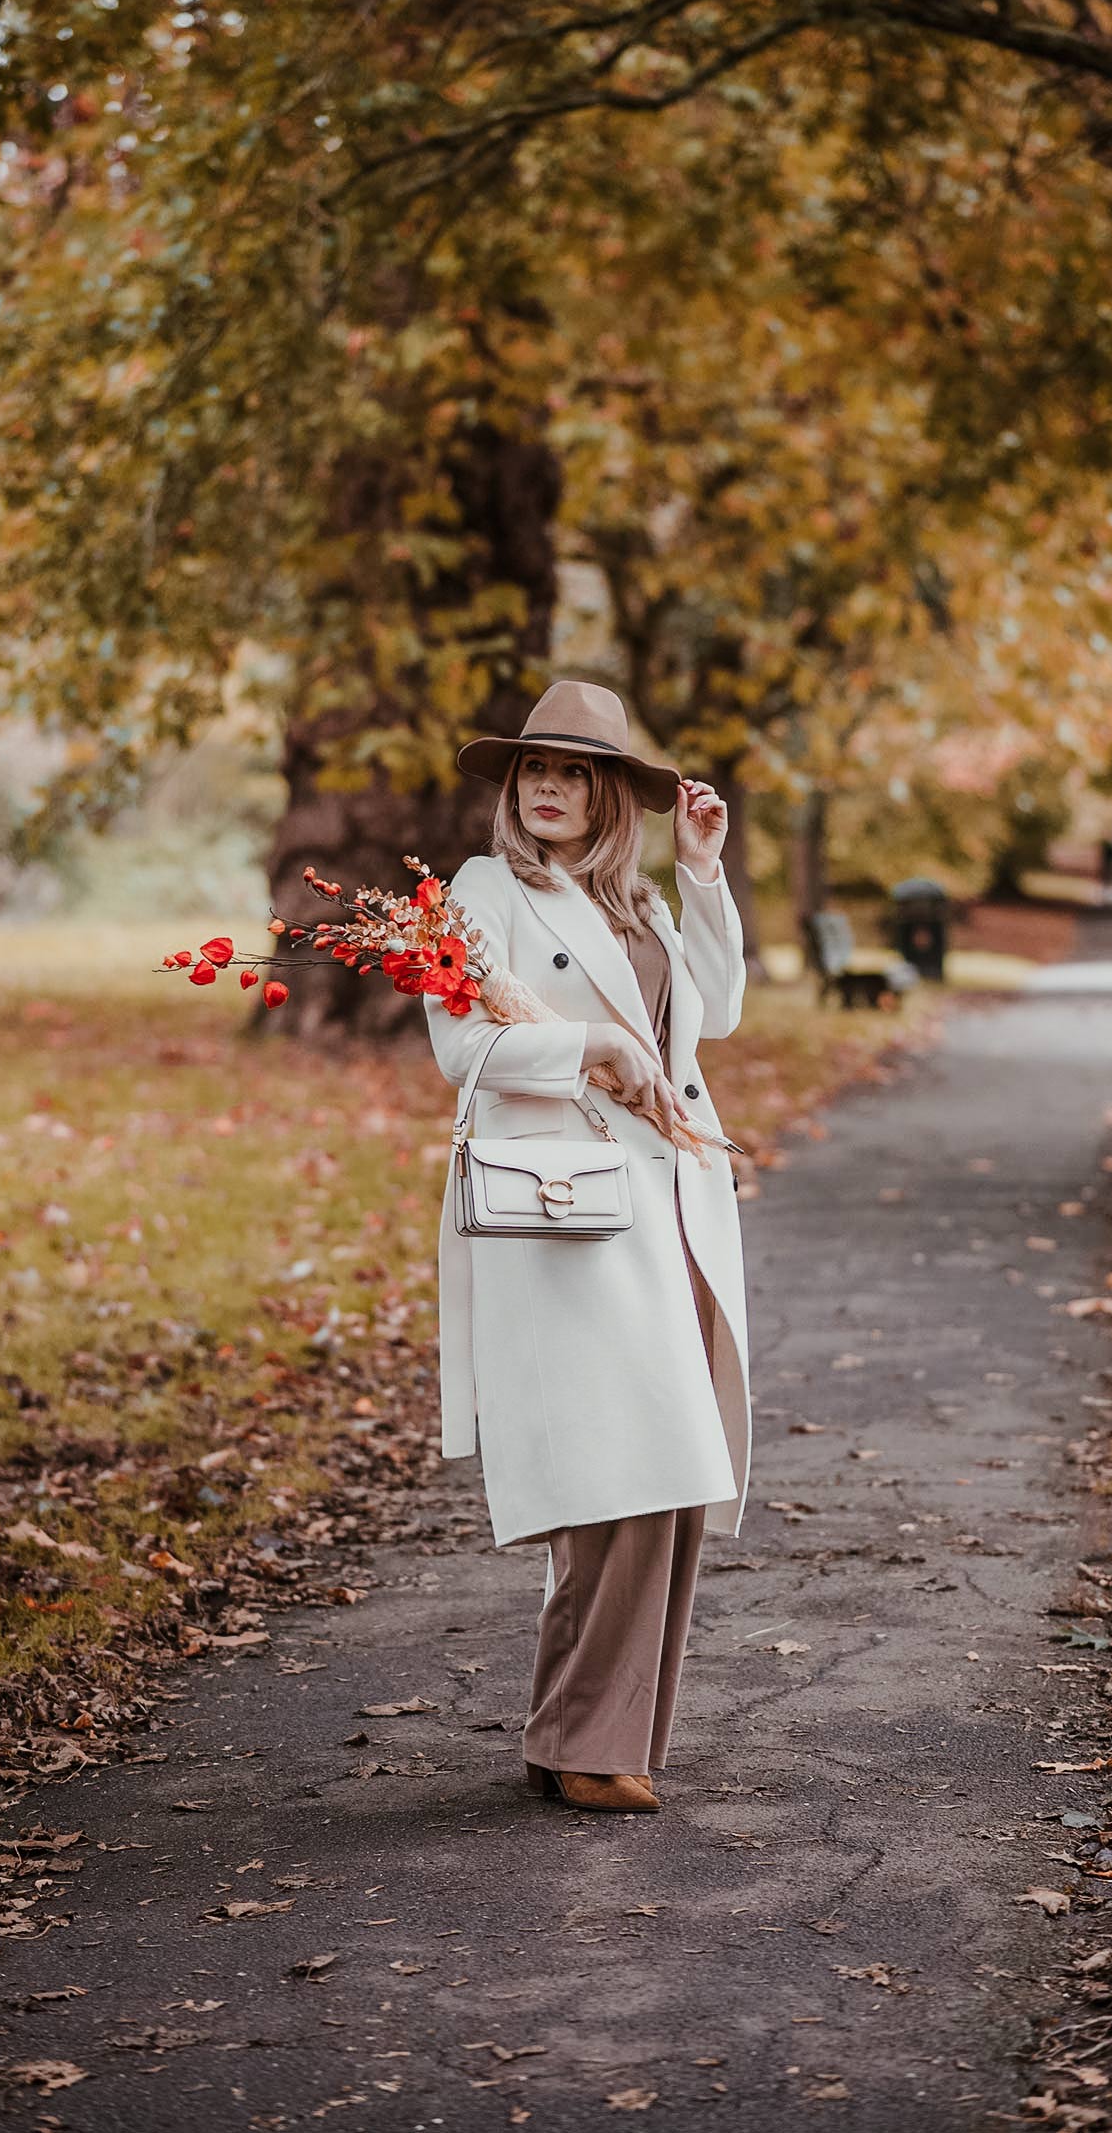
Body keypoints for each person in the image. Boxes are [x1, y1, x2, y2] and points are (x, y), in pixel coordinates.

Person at [423, 680, 751, 1816]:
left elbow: (716, 1010)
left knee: (669, 1477)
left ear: (615, 795)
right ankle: (583, 1739)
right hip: (567, 1207)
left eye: (572, 773)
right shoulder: (481, 890)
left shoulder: (644, 902)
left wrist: (702, 871)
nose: (548, 788)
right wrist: (596, 1045)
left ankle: (592, 1736)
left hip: (667, 1204)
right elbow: (461, 1048)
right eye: (534, 772)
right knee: (630, 1467)